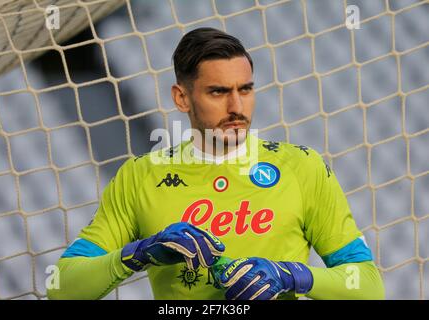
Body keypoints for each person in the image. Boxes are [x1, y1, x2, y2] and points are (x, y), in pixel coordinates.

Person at [47, 27, 385, 300]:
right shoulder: (140, 176)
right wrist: (140, 253)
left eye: (246, 89)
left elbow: (368, 287)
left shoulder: (302, 166)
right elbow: (61, 287)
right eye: (218, 92)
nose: (237, 106)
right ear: (182, 97)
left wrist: (293, 276)